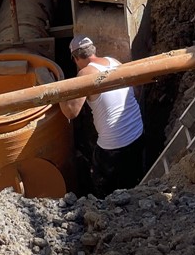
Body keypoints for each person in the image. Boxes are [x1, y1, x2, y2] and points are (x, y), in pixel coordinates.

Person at [58, 35, 146, 192]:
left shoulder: (86, 74)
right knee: (133, 181)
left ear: (75, 58)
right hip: (138, 134)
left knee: (104, 191)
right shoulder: (115, 62)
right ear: (94, 50)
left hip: (113, 147)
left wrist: (58, 93)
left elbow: (71, 113)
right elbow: (136, 91)